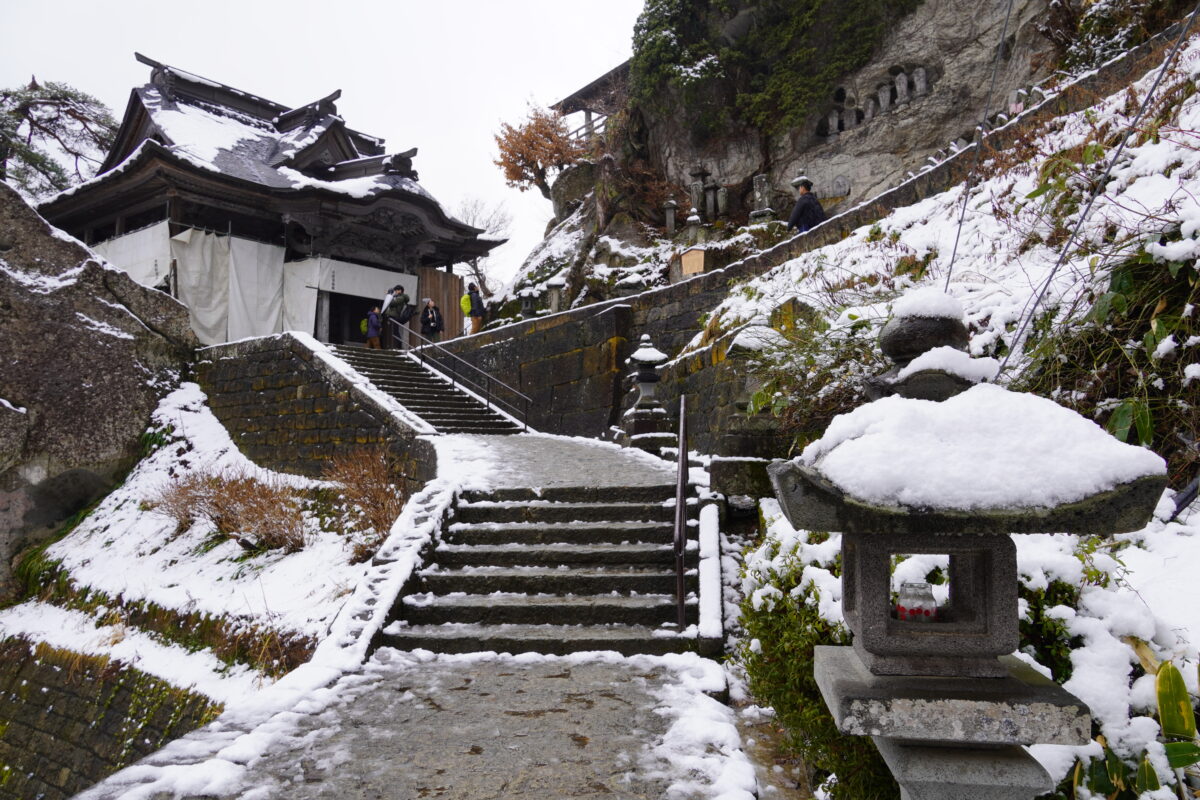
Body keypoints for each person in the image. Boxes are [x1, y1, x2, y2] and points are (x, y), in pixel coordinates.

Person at [381, 284, 410, 349]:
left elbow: (391, 303)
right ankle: (391, 346)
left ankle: (399, 346)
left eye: (396, 290)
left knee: (395, 332)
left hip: (394, 317)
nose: (395, 292)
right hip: (392, 316)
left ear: (400, 291)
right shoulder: (397, 296)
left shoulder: (401, 298)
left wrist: (389, 295)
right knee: (392, 332)